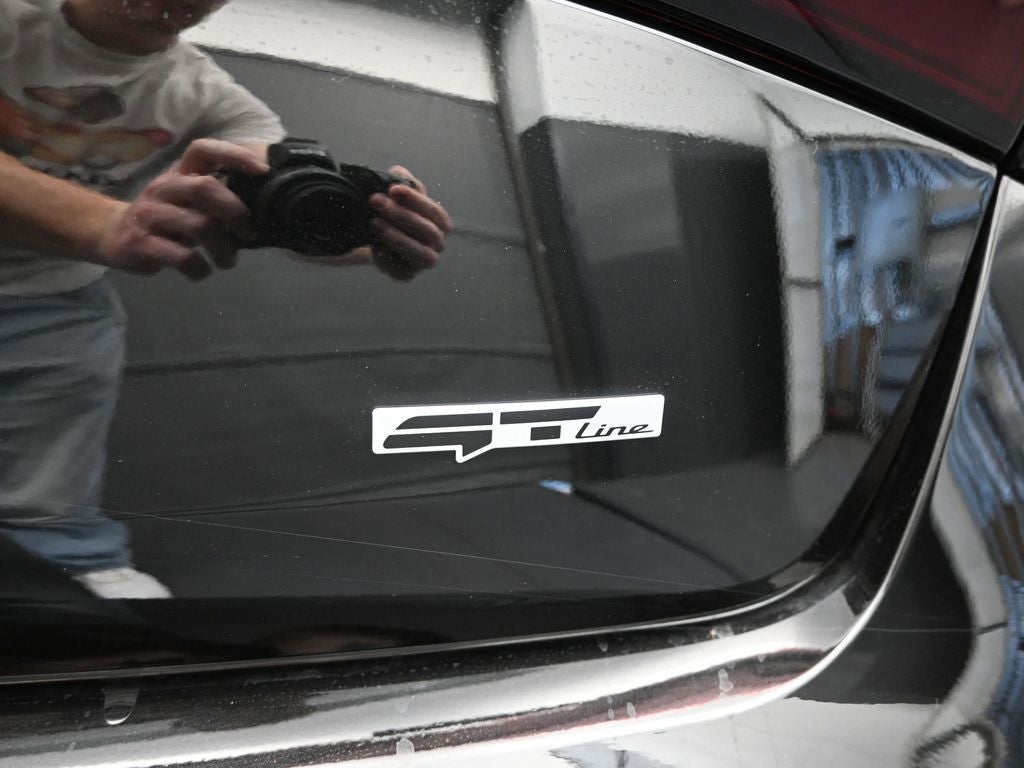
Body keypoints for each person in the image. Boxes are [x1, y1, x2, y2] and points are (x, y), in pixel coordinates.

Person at [0, 0, 454, 599]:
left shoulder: (213, 98)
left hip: (59, 295)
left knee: (58, 448)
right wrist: (101, 223)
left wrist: (374, 234)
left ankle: (71, 555)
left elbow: (278, 208)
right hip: (74, 265)